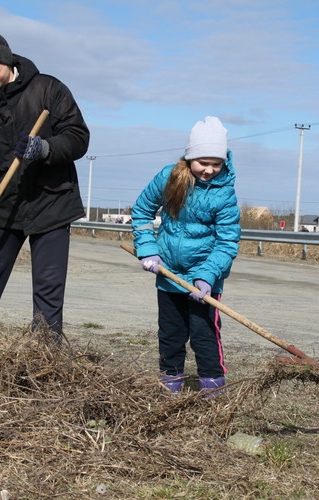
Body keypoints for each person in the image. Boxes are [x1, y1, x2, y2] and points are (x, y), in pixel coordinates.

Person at [0, 31, 90, 341]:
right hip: (2, 206)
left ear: (6, 60)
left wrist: (44, 148)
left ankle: (45, 359)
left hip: (52, 204)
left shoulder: (48, 89)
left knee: (48, 293)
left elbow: (78, 137)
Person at [130, 116, 241, 395]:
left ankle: (213, 390)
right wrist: (148, 250)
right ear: (190, 156)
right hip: (167, 274)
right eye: (203, 162)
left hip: (203, 280)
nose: (209, 170)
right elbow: (142, 212)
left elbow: (228, 242)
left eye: (216, 164)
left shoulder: (225, 194)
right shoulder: (169, 177)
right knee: (170, 335)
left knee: (205, 336)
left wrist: (207, 276)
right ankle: (170, 386)